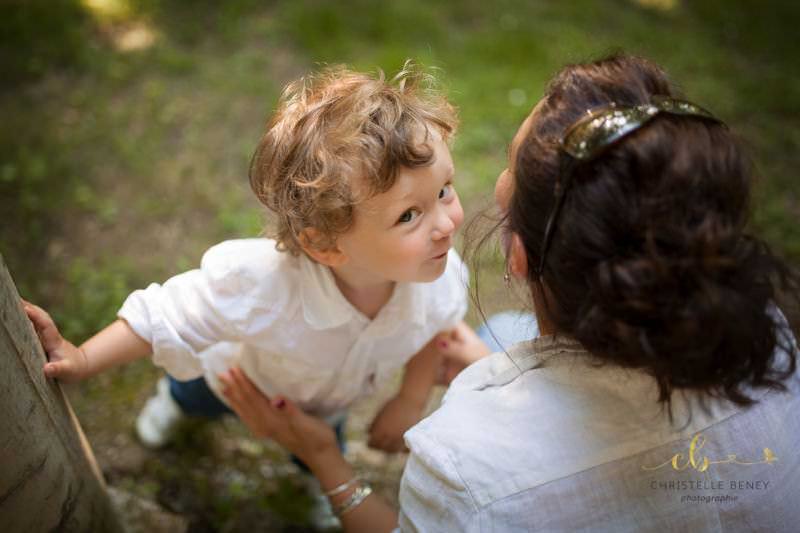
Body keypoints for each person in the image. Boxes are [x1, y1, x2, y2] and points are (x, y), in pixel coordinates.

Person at [218, 53, 800, 532]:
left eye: (503, 175)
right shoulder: (772, 338)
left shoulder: (467, 467)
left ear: (518, 256)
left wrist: (325, 459)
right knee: (505, 336)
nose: (448, 217)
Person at [22, 63, 470, 517]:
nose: (446, 224)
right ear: (325, 244)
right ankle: (171, 405)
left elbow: (438, 329)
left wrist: (410, 398)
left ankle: (329, 484)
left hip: (323, 408)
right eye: (409, 215)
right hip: (235, 378)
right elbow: (166, 314)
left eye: (445, 190)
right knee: (192, 395)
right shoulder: (262, 284)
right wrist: (82, 359)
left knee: (320, 444)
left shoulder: (439, 276)